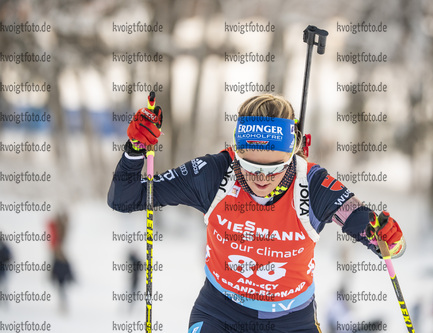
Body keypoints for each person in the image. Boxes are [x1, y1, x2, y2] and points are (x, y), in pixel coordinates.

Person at [108, 94, 406, 332]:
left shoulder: (313, 185)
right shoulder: (214, 174)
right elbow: (124, 198)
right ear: (236, 151)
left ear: (293, 155)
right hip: (221, 314)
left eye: (275, 168)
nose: (261, 178)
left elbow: (380, 238)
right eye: (250, 166)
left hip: (292, 321)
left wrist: (388, 237)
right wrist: (135, 149)